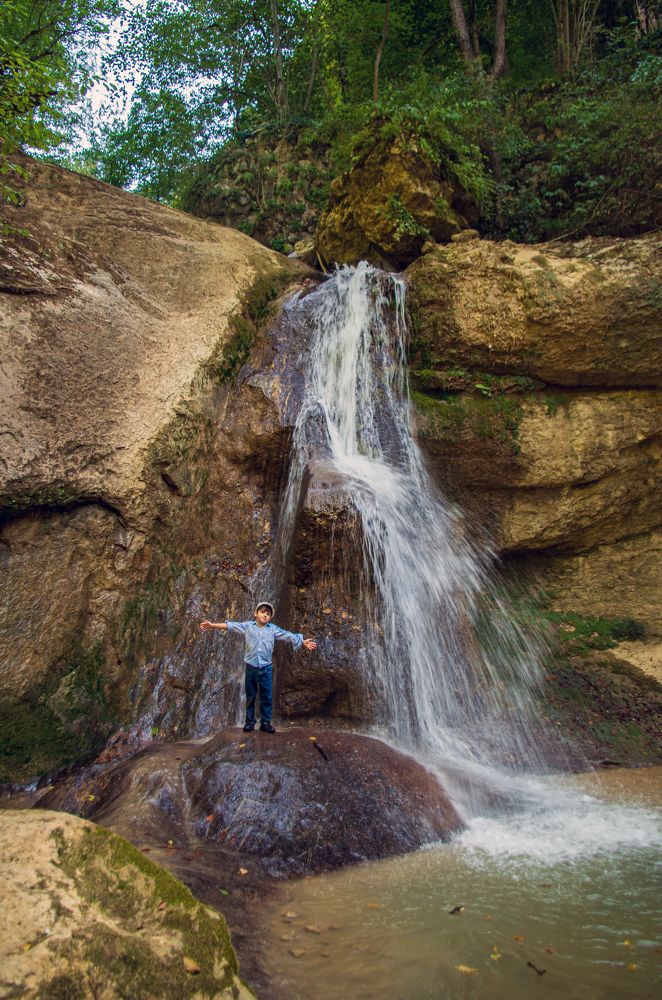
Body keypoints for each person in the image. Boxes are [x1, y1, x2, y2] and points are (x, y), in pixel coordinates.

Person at [199, 601, 317, 733]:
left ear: (270, 618)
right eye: (263, 612)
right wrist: (212, 625)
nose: (265, 615)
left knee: (267, 696)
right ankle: (249, 722)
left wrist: (302, 641)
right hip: (251, 668)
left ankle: (265, 722)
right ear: (255, 613)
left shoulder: (273, 629)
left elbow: (287, 635)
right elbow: (230, 625)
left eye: (268, 614)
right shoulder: (247, 626)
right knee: (250, 696)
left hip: (266, 668)